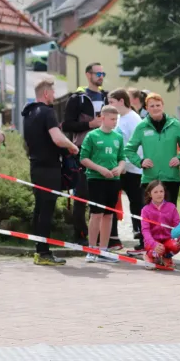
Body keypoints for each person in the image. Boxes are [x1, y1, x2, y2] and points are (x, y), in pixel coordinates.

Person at [23, 79, 79, 266]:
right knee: (47, 210)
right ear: (46, 94)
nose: (54, 96)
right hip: (49, 168)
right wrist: (72, 147)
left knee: (39, 209)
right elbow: (57, 138)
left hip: (35, 166)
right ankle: (44, 253)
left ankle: (39, 251)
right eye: (53, 92)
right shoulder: (47, 112)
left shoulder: (28, 112)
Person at [62, 62, 108, 246]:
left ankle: (101, 237)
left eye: (103, 72)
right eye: (98, 73)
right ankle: (80, 234)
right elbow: (66, 125)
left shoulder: (107, 97)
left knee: (102, 195)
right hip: (83, 150)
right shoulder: (78, 98)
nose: (101, 76)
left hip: (105, 151)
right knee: (82, 193)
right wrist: (90, 125)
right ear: (88, 75)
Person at [125, 93, 180, 206]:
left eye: (158, 105)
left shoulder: (175, 125)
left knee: (169, 216)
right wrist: (140, 162)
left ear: (163, 106)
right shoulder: (141, 127)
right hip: (150, 179)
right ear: (146, 108)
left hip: (171, 178)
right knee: (151, 216)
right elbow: (129, 149)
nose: (155, 108)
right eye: (152, 106)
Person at [79, 105, 126, 263]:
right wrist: (100, 169)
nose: (114, 122)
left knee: (108, 215)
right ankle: (92, 249)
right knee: (96, 214)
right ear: (103, 118)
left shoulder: (118, 137)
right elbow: (83, 158)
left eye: (116, 119)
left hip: (113, 180)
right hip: (96, 179)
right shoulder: (92, 136)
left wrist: (119, 168)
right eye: (112, 119)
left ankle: (104, 250)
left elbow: (122, 158)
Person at [108, 88, 145, 251]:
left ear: (121, 101)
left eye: (111, 102)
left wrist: (126, 164)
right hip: (118, 169)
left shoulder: (133, 119)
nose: (109, 105)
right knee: (112, 203)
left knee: (137, 205)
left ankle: (143, 238)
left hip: (133, 170)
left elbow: (137, 146)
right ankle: (113, 238)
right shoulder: (119, 118)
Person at [140, 180, 180, 268]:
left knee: (176, 246)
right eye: (155, 192)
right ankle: (149, 255)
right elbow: (145, 230)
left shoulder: (172, 207)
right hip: (152, 242)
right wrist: (154, 244)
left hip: (167, 240)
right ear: (150, 194)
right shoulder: (145, 210)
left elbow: (178, 225)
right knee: (159, 250)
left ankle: (167, 257)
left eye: (161, 191)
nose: (159, 194)